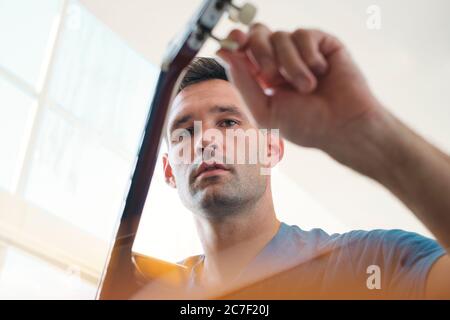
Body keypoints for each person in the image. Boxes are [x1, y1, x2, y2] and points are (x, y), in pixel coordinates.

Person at [159, 23, 450, 299]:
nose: (205, 140)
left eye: (228, 122)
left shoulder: (372, 264)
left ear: (271, 149)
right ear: (169, 170)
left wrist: (372, 130)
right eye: (184, 132)